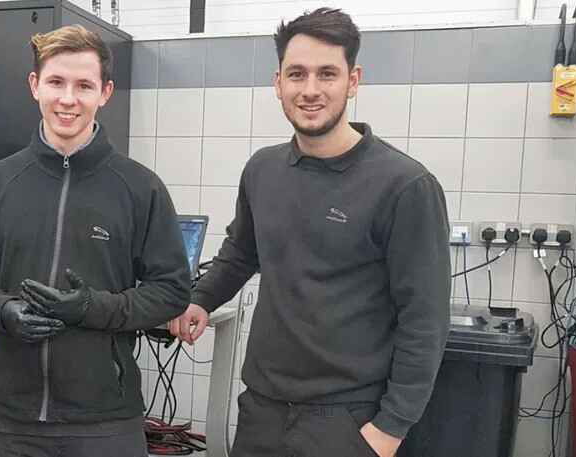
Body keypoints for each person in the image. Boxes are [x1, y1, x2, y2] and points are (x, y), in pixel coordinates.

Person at [165, 8, 451, 457]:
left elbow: (426, 318)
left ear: (353, 81)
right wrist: (201, 299)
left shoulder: (405, 186)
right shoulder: (262, 170)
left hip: (347, 419)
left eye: (327, 74)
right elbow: (241, 252)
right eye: (296, 74)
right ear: (278, 83)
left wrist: (390, 428)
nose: (310, 89)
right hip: (262, 409)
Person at [0, 24, 192, 457]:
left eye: (84, 85)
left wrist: (91, 308)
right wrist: (3, 310)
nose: (67, 99)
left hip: (105, 421)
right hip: (14, 419)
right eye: (56, 82)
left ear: (105, 92)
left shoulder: (139, 188)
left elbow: (171, 291)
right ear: (34, 85)